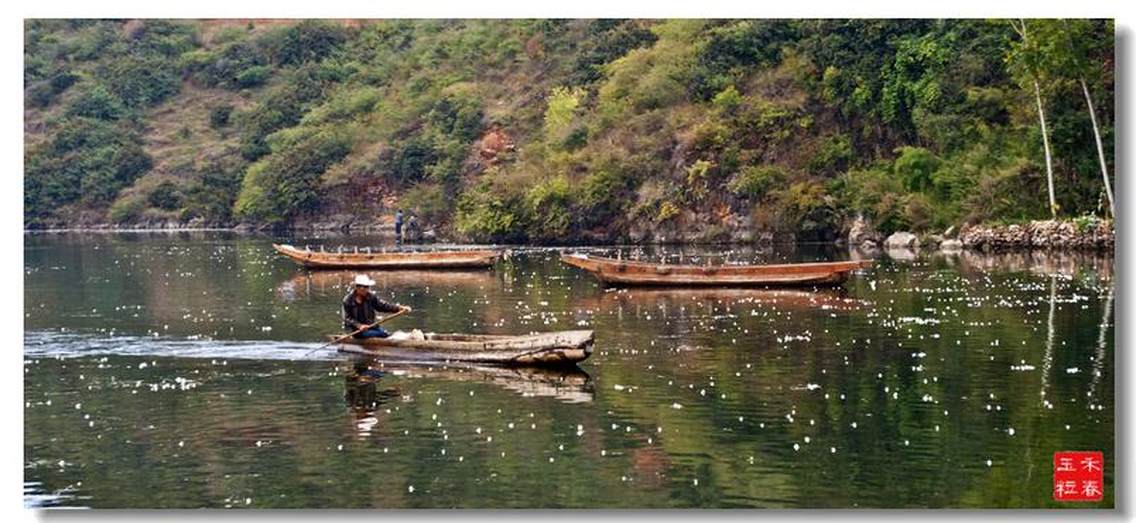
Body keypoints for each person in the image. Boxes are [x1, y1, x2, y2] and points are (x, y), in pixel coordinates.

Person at [342, 274, 411, 338]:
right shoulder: (348, 300)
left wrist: (399, 308)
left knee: (385, 334)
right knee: (381, 334)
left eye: (367, 287)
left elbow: (382, 306)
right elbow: (348, 319)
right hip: (355, 331)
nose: (365, 289)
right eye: (363, 286)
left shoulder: (371, 297)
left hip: (371, 326)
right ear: (358, 287)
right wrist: (359, 326)